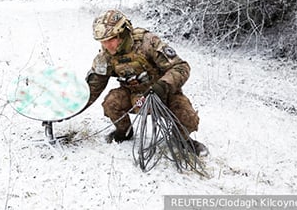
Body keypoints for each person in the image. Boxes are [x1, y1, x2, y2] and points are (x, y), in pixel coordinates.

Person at [84, 9, 208, 156]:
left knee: (187, 116)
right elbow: (92, 88)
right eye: (103, 41)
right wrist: (68, 110)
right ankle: (124, 132)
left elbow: (181, 67)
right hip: (134, 97)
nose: (107, 45)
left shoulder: (147, 42)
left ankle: (182, 140)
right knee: (111, 102)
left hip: (163, 94)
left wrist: (162, 86)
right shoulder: (105, 57)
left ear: (123, 34)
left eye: (111, 39)